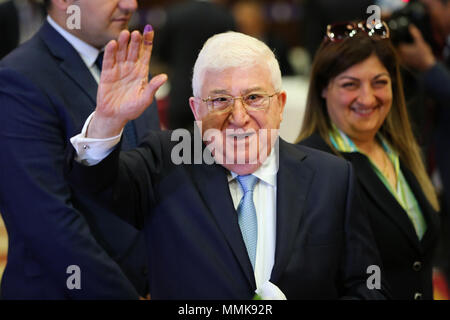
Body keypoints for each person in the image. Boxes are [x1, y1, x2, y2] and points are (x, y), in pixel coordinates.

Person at [66, 28, 389, 299]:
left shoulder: (331, 177)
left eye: (253, 98)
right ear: (195, 110)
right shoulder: (165, 161)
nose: (238, 117)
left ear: (280, 104)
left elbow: (367, 286)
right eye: (219, 100)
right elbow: (96, 189)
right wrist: (108, 122)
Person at [0, 0, 161, 299]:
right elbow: (47, 223)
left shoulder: (129, 62)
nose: (130, 4)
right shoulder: (17, 78)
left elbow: (151, 183)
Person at [297, 21, 440, 300]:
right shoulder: (308, 166)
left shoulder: (403, 151)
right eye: (350, 85)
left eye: (379, 83)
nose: (367, 98)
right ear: (323, 89)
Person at [396, 0, 450, 288]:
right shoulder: (433, 45)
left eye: (427, 11)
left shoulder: (431, 59)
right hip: (426, 178)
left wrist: (428, 66)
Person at [154, 0, 236, 130]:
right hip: (213, 96)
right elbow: (232, 56)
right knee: (211, 145)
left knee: (177, 146)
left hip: (179, 93)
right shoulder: (224, 16)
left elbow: (161, 54)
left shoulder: (174, 14)